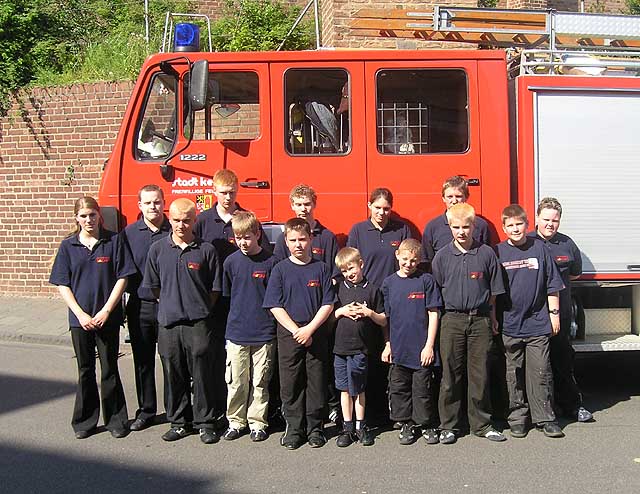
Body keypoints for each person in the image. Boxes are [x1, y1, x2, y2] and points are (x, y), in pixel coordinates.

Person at [49, 196, 135, 439]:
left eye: (92, 215)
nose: (89, 220)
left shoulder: (114, 241)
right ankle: (85, 422)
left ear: (100, 215)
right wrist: (81, 314)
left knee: (109, 368)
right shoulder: (68, 246)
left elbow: (122, 277)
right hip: (80, 320)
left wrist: (107, 310)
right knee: (85, 370)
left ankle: (116, 420)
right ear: (77, 218)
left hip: (107, 318)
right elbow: (62, 284)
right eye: (84, 216)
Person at [193, 169, 270, 426]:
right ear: (215, 192)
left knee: (255, 374)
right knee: (222, 364)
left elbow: (265, 255)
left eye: (232, 192)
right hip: (219, 299)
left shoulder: (246, 219)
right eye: (223, 192)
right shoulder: (203, 221)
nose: (228, 197)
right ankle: (220, 411)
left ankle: (255, 417)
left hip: (248, 300)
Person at [143, 198, 222, 444]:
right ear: (170, 218)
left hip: (198, 323)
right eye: (176, 220)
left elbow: (215, 289)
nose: (181, 225)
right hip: (168, 322)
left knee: (202, 374)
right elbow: (154, 287)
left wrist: (197, 306)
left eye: (186, 220)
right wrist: (171, 304)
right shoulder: (157, 249)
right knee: (173, 373)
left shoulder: (206, 250)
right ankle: (179, 422)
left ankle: (205, 423)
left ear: (194, 220)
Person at [431, 203, 506, 445]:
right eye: (456, 227)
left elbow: (494, 291)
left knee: (480, 374)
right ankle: (449, 426)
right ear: (449, 227)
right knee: (450, 375)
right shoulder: (442, 256)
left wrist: (492, 318)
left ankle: (481, 424)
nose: (461, 232)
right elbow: (438, 289)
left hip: (481, 320)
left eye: (466, 226)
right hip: (451, 320)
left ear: (474, 226)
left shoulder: (486, 254)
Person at [263, 218, 336, 450]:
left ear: (311, 239)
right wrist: (296, 331)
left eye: (302, 239)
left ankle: (315, 429)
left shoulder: (321, 268)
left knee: (316, 381)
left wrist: (310, 329)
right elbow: (275, 305)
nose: (298, 244)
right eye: (293, 240)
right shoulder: (280, 270)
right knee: (291, 383)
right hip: (289, 335)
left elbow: (328, 304)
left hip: (315, 333)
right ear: (285, 241)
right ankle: (294, 429)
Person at [273, 184, 341, 424]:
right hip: (292, 321)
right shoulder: (285, 239)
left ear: (314, 204)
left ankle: (319, 420)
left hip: (319, 315)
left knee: (318, 374)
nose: (303, 209)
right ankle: (294, 424)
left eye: (307, 204)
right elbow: (282, 274)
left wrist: (314, 323)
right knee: (291, 378)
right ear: (291, 205)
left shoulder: (327, 236)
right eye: (298, 204)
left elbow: (333, 275)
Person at [496, 204, 565, 439]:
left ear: (527, 224)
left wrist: (554, 315)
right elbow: (493, 293)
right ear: (503, 227)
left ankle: (545, 418)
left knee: (540, 372)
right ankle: (517, 418)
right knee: (513, 374)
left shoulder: (540, 248)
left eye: (519, 224)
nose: (516, 229)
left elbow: (552, 284)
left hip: (537, 322)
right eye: (511, 225)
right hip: (510, 323)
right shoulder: (497, 253)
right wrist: (494, 319)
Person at [347, 187, 411, 424]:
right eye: (377, 208)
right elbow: (352, 262)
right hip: (367, 298)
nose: (382, 213)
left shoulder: (401, 229)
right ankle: (369, 413)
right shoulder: (358, 230)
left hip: (393, 295)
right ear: (369, 206)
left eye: (386, 208)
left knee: (390, 353)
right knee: (367, 355)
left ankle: (391, 411)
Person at [530, 197, 593, 423]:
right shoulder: (526, 242)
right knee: (535, 366)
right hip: (533, 316)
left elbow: (574, 273)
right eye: (546, 219)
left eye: (555, 220)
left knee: (563, 361)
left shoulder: (567, 244)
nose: (550, 224)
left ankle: (572, 406)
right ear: (537, 217)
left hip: (561, 315)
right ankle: (538, 411)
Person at [222, 211, 279, 442]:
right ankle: (236, 421)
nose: (243, 242)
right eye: (238, 238)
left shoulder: (272, 262)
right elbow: (226, 296)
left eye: (247, 237)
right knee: (236, 381)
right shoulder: (231, 262)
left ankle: (258, 422)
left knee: (260, 382)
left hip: (264, 332)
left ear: (257, 234)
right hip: (237, 332)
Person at [381, 239, 442, 445]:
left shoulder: (426, 280)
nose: (409, 264)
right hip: (399, 349)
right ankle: (406, 423)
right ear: (397, 255)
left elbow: (433, 314)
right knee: (400, 388)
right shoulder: (389, 283)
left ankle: (426, 424)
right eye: (405, 259)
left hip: (421, 349)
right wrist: (388, 344)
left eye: (414, 260)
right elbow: (386, 320)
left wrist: (429, 346)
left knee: (422, 390)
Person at [122, 184, 171, 431]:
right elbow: (124, 272)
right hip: (140, 305)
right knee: (143, 361)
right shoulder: (129, 234)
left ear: (164, 203)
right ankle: (146, 410)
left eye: (157, 202)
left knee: (170, 360)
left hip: (168, 306)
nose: (153, 206)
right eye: (148, 202)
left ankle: (175, 410)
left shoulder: (173, 231)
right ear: (139, 205)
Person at [332, 247, 386, 447]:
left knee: (359, 388)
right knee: (344, 389)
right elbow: (329, 317)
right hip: (340, 348)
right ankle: (347, 427)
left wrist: (368, 312)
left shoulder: (372, 290)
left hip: (361, 348)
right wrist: (342, 312)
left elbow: (383, 320)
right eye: (345, 271)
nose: (349, 273)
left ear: (361, 264)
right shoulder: (338, 289)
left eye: (352, 268)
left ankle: (360, 426)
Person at [421, 175, 490, 266]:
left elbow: (487, 259)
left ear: (466, 197)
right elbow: (426, 262)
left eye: (458, 196)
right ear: (443, 198)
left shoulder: (480, 225)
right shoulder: (432, 227)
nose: (454, 201)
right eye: (450, 196)